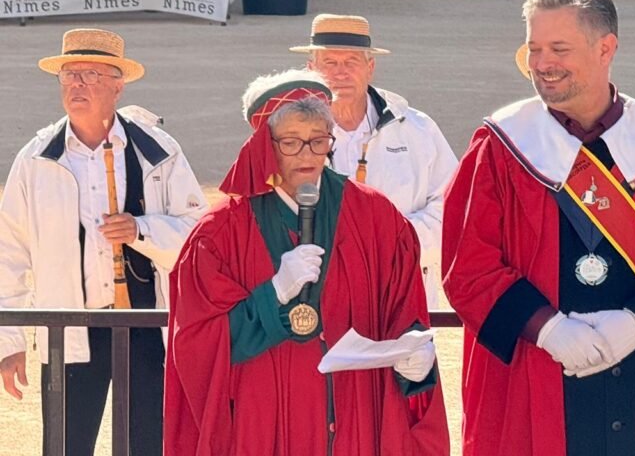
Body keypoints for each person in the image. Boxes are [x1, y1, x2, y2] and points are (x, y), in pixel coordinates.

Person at [443, 0, 635, 456]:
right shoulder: (501, 147)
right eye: (534, 49)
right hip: (534, 371)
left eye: (559, 48)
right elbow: (468, 263)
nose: (542, 63)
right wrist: (546, 328)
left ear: (606, 48)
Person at [164, 69, 449, 455]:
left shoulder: (376, 217)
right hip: (263, 424)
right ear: (264, 146)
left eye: (318, 140)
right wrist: (273, 294)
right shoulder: (220, 233)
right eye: (291, 142)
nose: (308, 154)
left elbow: (404, 312)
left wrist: (417, 361)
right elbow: (197, 346)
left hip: (357, 417)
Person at [0, 28, 207, 456]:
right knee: (66, 445)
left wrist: (140, 230)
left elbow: (198, 234)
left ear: (118, 85)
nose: (77, 84)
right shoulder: (36, 159)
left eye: (91, 75)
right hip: (69, 328)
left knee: (146, 444)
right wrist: (10, 342)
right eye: (69, 75)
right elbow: (8, 253)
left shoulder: (159, 152)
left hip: (147, 326)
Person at [290, 14, 457, 308]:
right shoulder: (287, 134)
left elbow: (454, 206)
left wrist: (392, 242)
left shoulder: (416, 129)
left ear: (370, 68)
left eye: (351, 62)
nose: (340, 73)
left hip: (403, 293)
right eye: (329, 62)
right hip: (319, 298)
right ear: (311, 69)